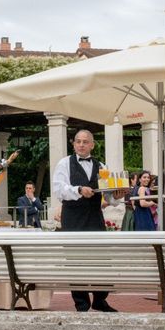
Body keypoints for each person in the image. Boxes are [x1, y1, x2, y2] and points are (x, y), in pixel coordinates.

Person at [53, 129, 126, 312]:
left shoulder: (101, 166)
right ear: (74, 144)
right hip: (73, 217)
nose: (81, 144)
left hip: (95, 217)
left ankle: (100, 299)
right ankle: (81, 303)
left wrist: (117, 196)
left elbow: (109, 197)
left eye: (85, 141)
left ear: (92, 145)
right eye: (78, 141)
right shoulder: (64, 163)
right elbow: (58, 189)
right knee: (75, 261)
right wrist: (78, 190)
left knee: (102, 260)